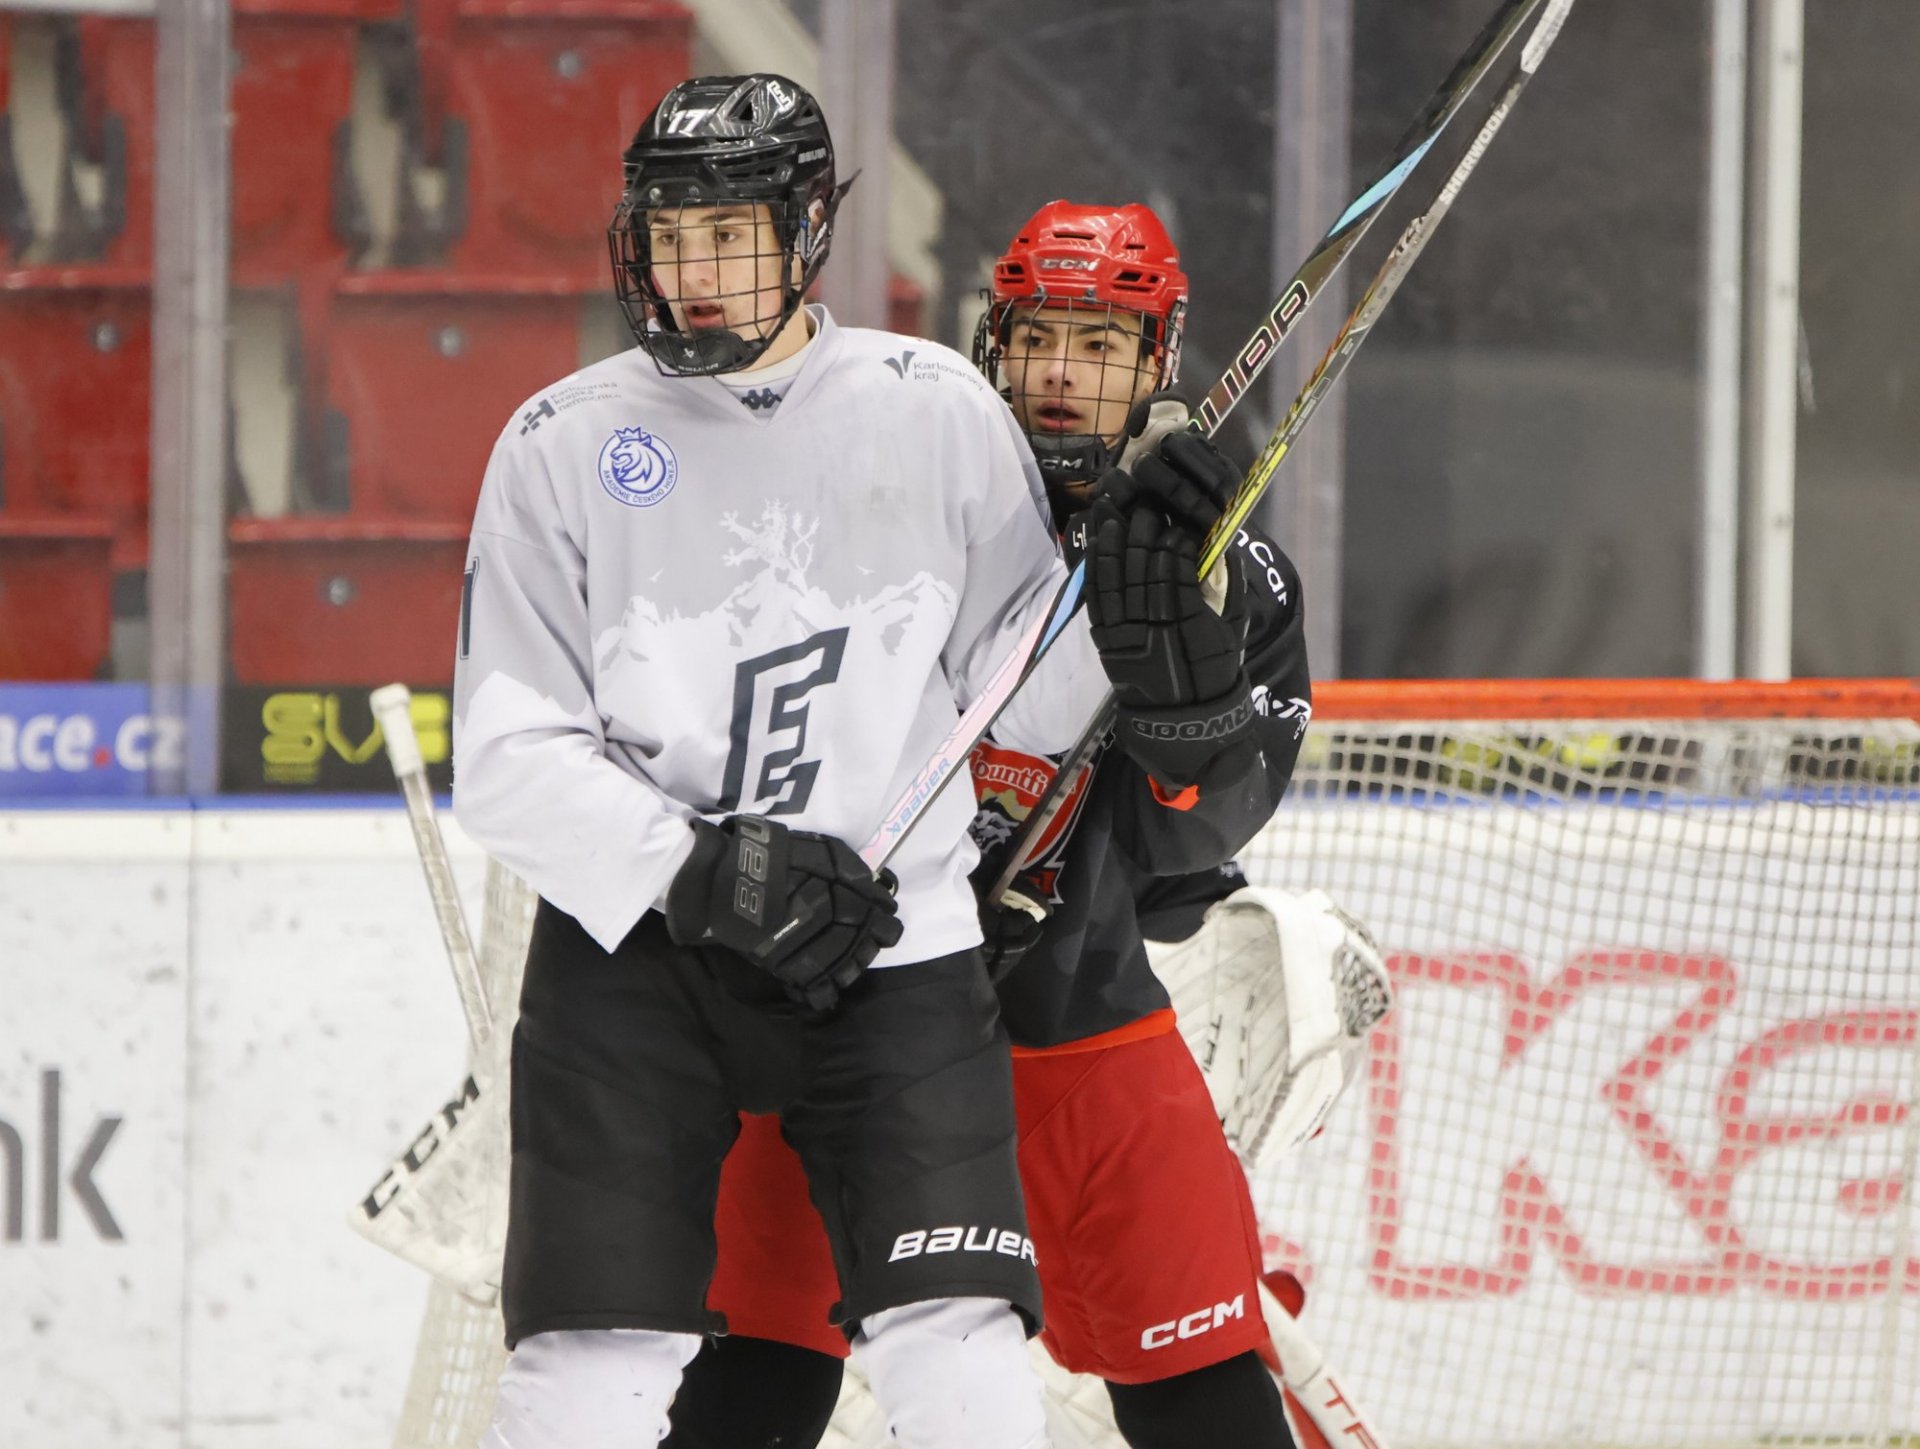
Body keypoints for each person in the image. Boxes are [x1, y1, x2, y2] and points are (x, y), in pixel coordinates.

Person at [451, 77, 1131, 1449]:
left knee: (959, 1341)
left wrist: (1136, 580)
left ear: (808, 229)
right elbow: (508, 754)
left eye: (728, 236)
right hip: (636, 949)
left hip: (893, 938)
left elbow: (1034, 706)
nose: (691, 273)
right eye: (668, 236)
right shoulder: (559, 444)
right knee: (589, 1365)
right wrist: (701, 869)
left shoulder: (934, 408)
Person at [664, 201, 1317, 1449]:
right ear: (992, 344)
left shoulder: (1231, 572)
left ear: (1157, 362)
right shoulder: (869, 520)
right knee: (752, 1385)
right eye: (1039, 337)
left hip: (1078, 1027)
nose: (1062, 372)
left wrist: (1187, 708)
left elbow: (1188, 854)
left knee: (1204, 1396)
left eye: (1101, 343)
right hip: (837, 1018)